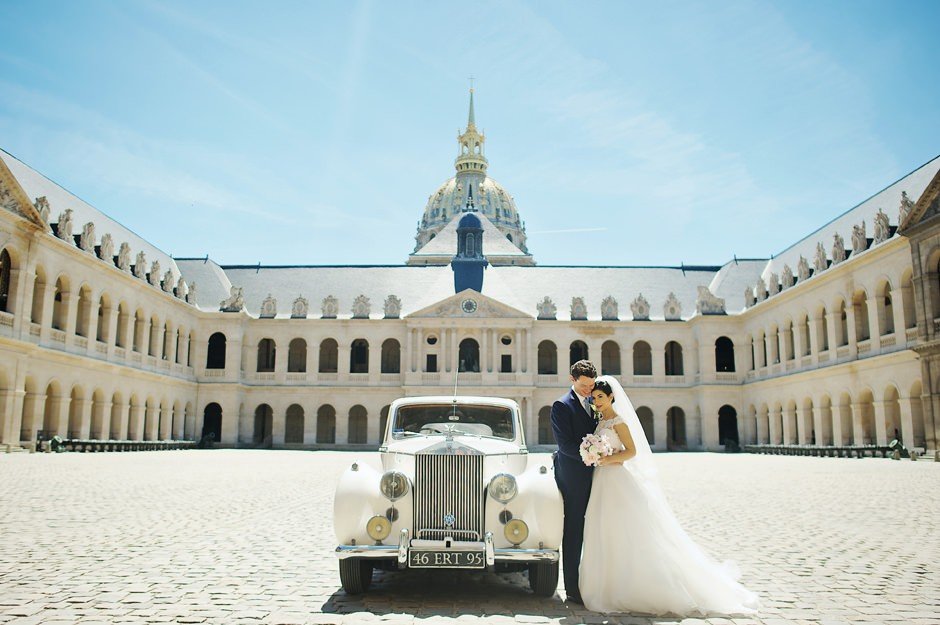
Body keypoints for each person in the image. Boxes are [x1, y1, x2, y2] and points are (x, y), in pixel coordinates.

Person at [579, 376, 760, 616]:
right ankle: (607, 583)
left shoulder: (619, 423)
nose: (597, 402)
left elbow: (631, 451)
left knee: (626, 532)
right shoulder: (601, 422)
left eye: (601, 397)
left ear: (612, 397)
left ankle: (635, 586)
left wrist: (606, 458)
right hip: (602, 481)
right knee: (604, 530)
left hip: (616, 480)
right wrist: (592, 455)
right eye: (594, 399)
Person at [550, 359, 598, 605]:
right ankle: (572, 588)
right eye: (583, 386)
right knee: (574, 528)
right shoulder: (561, 405)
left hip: (598, 472)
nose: (588, 391)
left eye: (591, 386)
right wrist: (592, 454)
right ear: (572, 380)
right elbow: (565, 446)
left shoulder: (597, 401)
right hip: (574, 474)